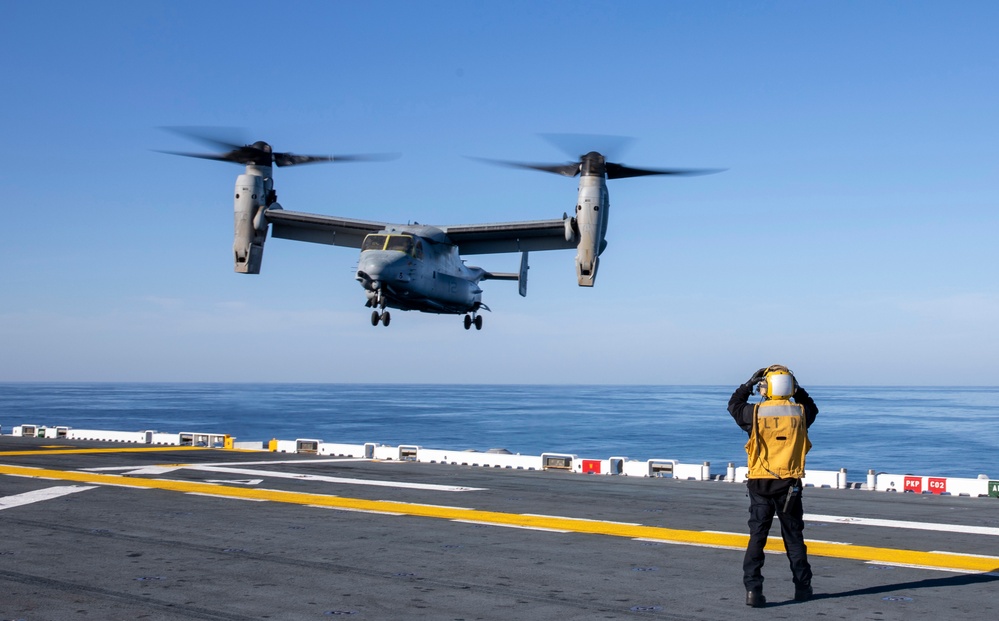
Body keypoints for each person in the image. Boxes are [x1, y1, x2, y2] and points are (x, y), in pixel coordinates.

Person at [728, 365, 818, 608]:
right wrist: (796, 388)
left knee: (757, 537)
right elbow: (813, 407)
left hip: (759, 484)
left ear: (766, 388)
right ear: (789, 387)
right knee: (794, 538)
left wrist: (747, 384)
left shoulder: (754, 413)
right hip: (789, 485)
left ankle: (753, 591)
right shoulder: (801, 413)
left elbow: (734, 405)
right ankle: (803, 588)